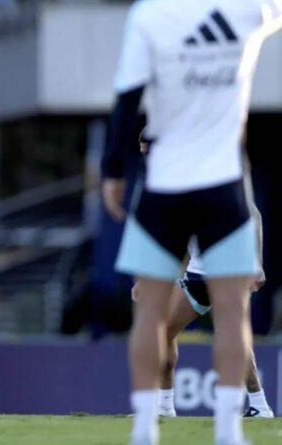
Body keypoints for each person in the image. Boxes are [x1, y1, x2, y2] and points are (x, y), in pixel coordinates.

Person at [101, 1, 282, 444]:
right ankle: (228, 429)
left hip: (167, 187)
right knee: (232, 314)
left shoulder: (150, 15)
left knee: (148, 313)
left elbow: (127, 98)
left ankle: (146, 426)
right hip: (221, 183)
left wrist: (113, 167)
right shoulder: (247, 11)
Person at [131, 138, 274, 419]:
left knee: (231, 334)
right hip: (198, 274)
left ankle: (260, 405)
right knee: (164, 330)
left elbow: (253, 214)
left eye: (148, 148)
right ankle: (164, 406)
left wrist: (257, 265)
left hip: (228, 269)